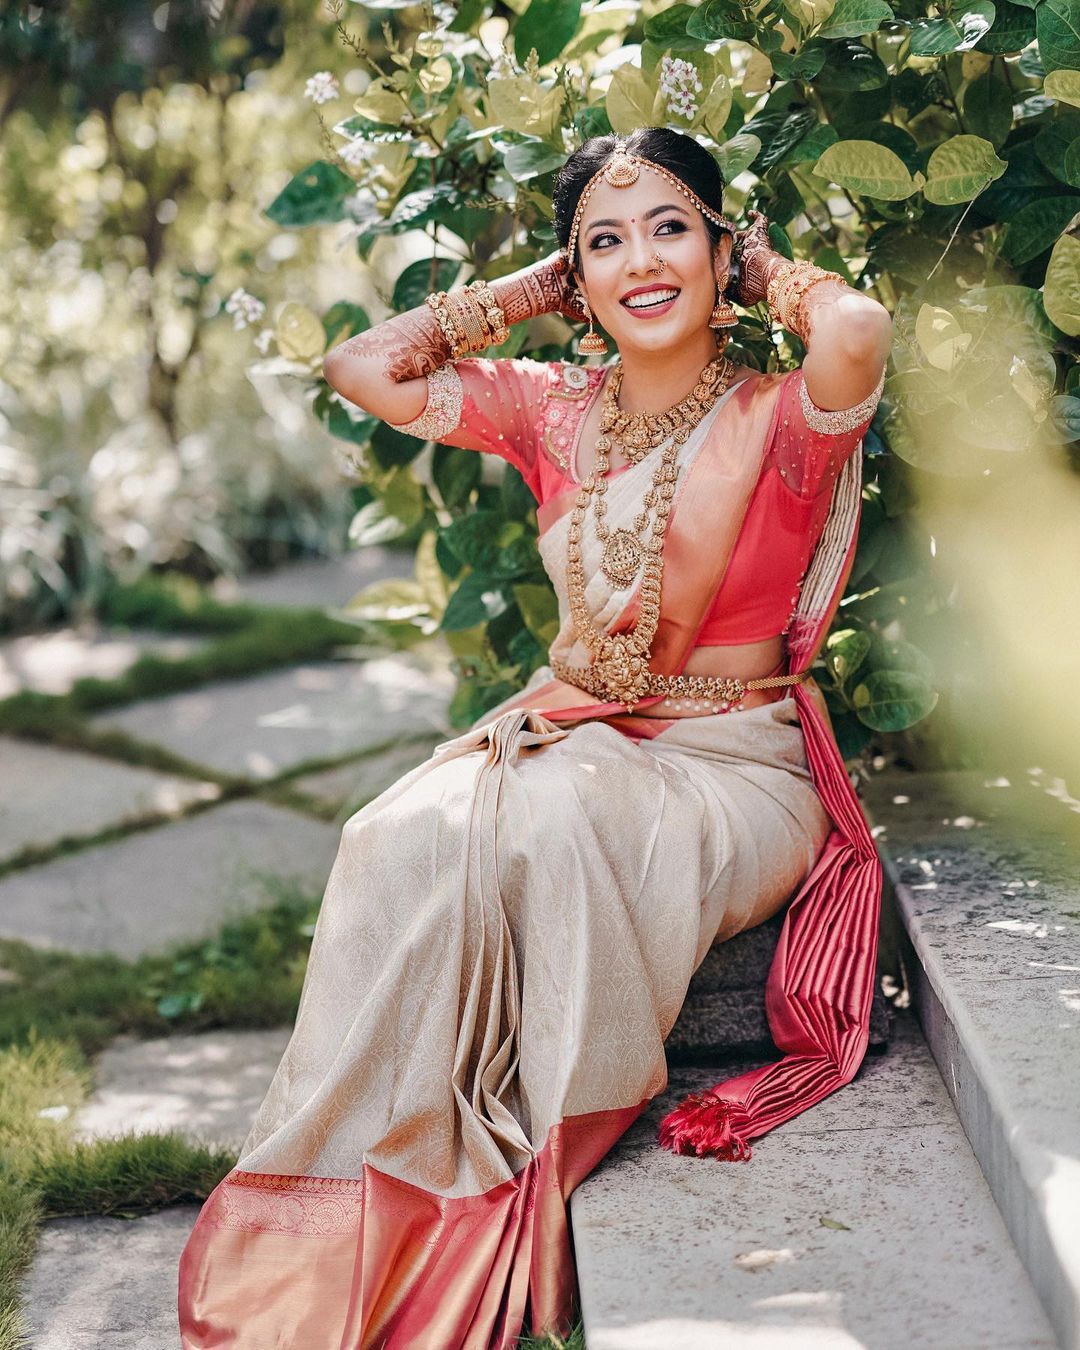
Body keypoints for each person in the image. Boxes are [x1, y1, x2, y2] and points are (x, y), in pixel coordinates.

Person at [177, 126, 892, 1348]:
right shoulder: (551, 411)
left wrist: (771, 269)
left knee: (556, 823)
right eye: (603, 243)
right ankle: (351, 1195)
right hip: (577, 732)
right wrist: (526, 292)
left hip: (734, 765)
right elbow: (367, 368)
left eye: (671, 228)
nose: (641, 262)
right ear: (578, 278)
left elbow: (859, 334)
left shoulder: (782, 420)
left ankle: (508, 1183)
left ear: (718, 249)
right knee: (393, 830)